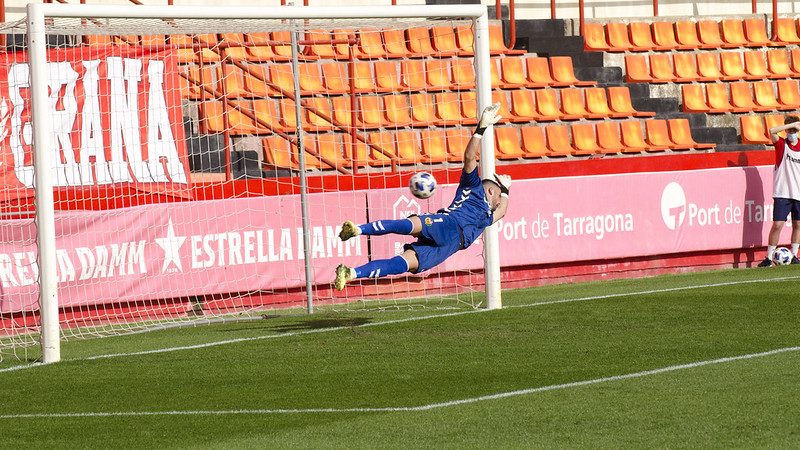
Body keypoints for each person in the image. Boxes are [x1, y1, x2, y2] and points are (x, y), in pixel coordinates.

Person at [334, 104, 511, 290]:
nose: (499, 201)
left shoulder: (486, 217)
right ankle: (357, 230)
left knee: (399, 265)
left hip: (448, 247)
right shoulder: (473, 186)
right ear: (490, 191)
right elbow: (469, 157)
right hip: (449, 224)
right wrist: (481, 128)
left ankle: (350, 273)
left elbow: (503, 211)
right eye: (499, 195)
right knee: (405, 226)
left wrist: (506, 190)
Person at [758, 115, 800, 267]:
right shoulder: (782, 144)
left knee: (798, 225)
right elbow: (772, 131)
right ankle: (769, 257)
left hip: (798, 193)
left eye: (794, 130)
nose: (792, 132)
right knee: (777, 225)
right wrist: (788, 126)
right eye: (790, 130)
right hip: (782, 192)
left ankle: (795, 254)